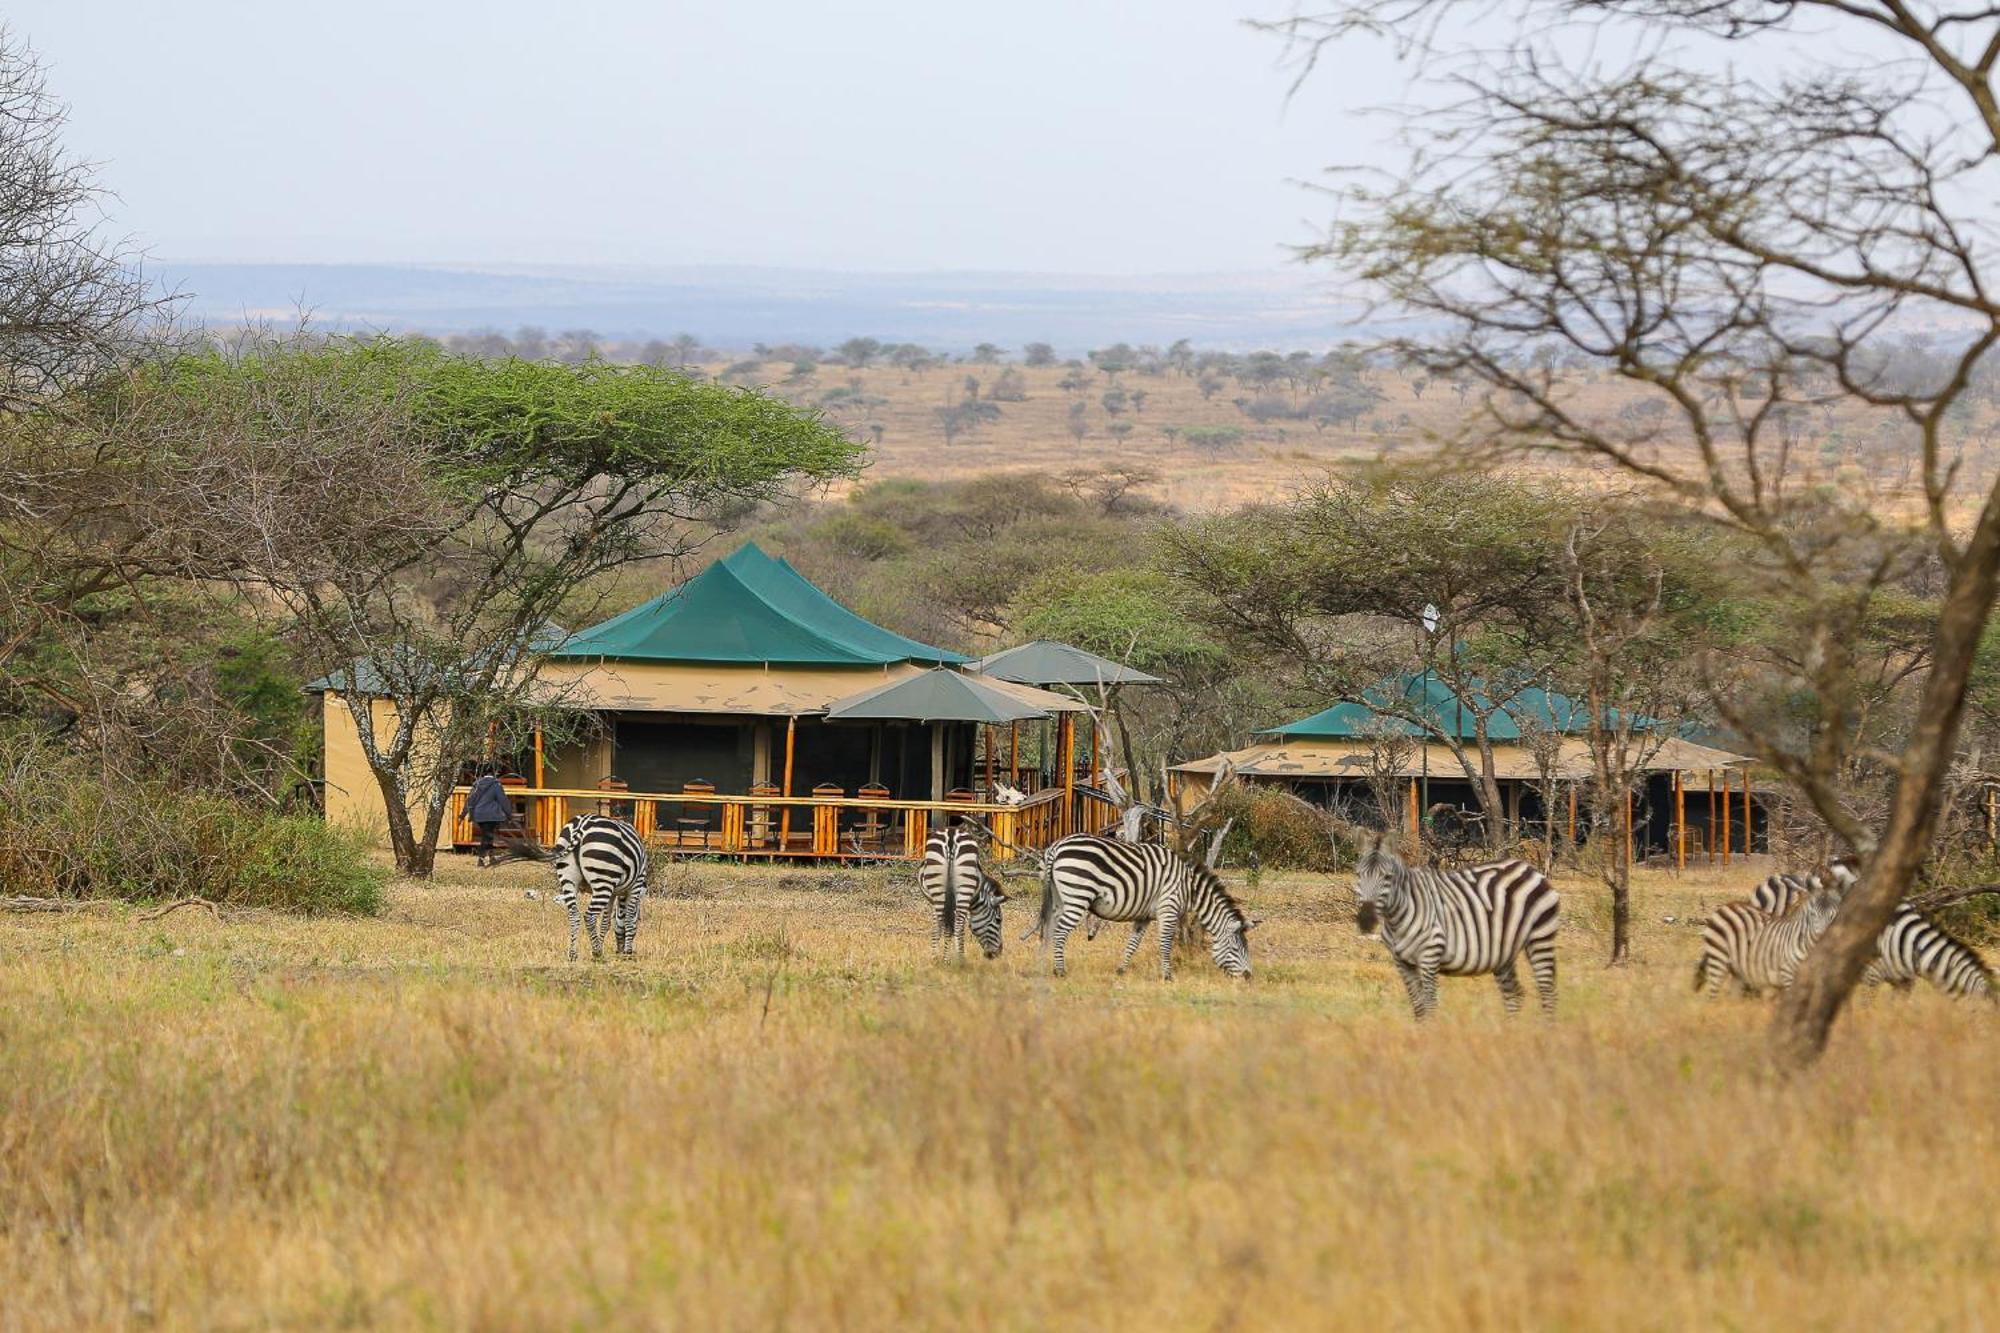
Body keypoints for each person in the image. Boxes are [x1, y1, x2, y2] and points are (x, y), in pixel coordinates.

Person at [465, 765, 514, 867]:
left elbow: (470, 800)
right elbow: (503, 801)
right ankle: (481, 859)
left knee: (488, 835)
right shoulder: (496, 785)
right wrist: (509, 814)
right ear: (494, 773)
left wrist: (467, 814)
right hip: (492, 815)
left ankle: (492, 857)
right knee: (487, 837)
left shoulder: (476, 785)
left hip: (479, 815)